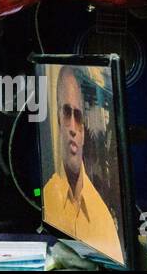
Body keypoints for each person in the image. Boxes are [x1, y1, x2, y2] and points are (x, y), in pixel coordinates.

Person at [42, 65, 124, 263]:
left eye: (78, 117)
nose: (72, 128)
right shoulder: (47, 198)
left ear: (85, 133)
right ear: (58, 122)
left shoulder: (102, 217)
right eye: (66, 113)